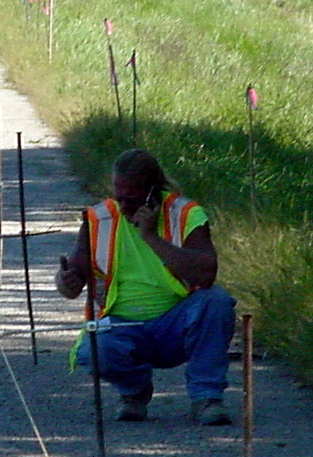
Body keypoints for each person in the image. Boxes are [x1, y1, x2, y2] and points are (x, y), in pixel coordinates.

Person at [54, 148, 237, 426]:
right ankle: (135, 391)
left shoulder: (186, 213)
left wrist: (150, 236)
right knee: (92, 351)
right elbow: (73, 285)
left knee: (216, 302)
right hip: (121, 326)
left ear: (154, 191)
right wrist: (65, 281)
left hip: (175, 324)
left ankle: (207, 398)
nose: (124, 204)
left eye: (133, 197)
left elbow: (206, 274)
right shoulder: (97, 218)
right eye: (119, 195)